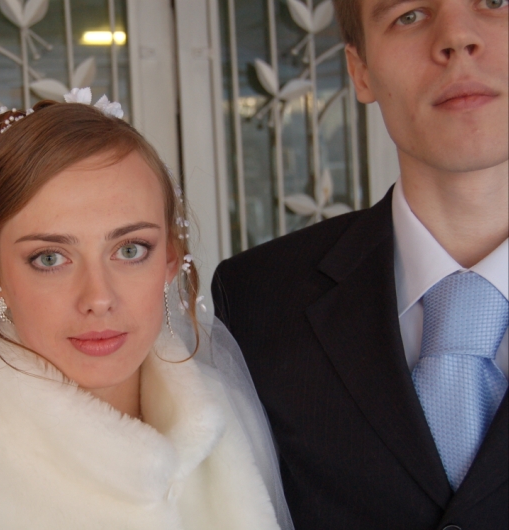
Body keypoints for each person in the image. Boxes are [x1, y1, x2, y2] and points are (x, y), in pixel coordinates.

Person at [0, 91, 293, 529]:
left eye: (130, 250)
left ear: (170, 258)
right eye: (50, 258)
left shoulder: (226, 426)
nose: (98, 297)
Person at [212, 0, 507, 527]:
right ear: (360, 70)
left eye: (495, 1)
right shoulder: (255, 298)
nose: (457, 38)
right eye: (409, 14)